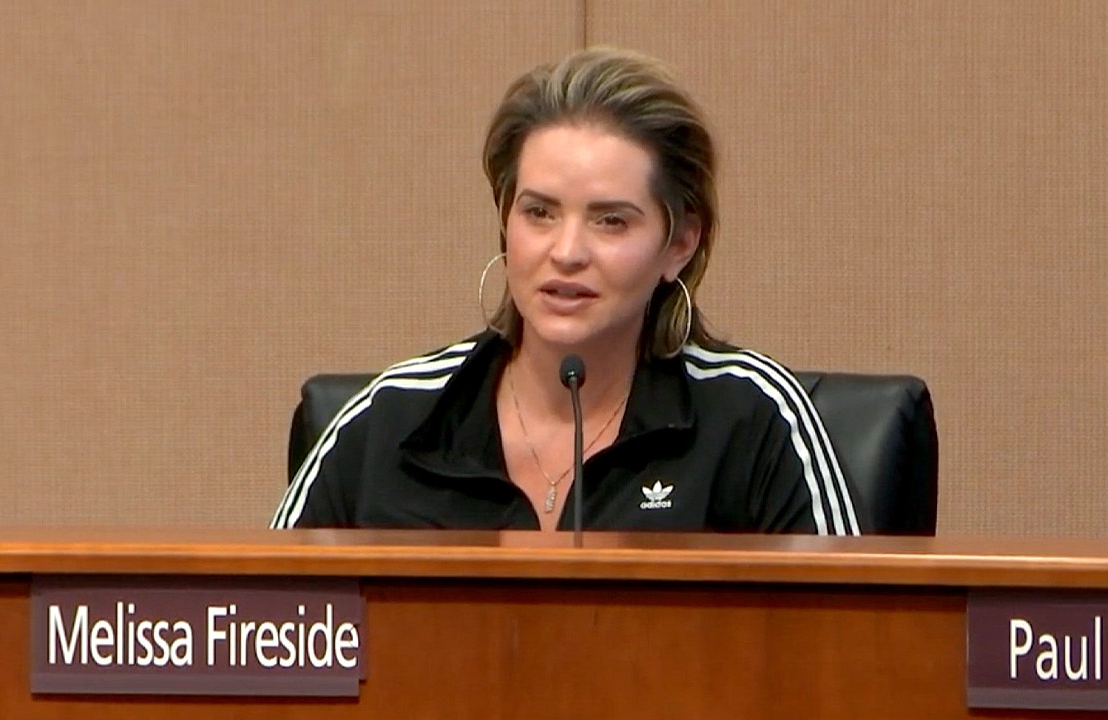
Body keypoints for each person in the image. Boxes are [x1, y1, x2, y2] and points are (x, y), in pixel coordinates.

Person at [271, 47, 864, 534]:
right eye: (539, 213)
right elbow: (266, 629)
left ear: (679, 243)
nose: (567, 251)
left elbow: (852, 635)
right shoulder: (388, 420)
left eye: (611, 220)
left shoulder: (754, 421)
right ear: (505, 222)